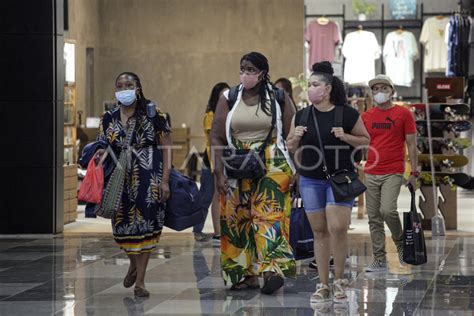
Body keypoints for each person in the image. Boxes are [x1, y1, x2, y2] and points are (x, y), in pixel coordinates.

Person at [211, 52, 297, 294]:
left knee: (269, 216)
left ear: (262, 72)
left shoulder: (279, 97)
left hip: (272, 162)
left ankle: (271, 270)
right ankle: (244, 275)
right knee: (236, 220)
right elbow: (216, 136)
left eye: (250, 69)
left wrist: (298, 167)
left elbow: (293, 135)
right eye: (242, 69)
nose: (245, 74)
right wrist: (218, 172)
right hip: (236, 162)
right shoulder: (229, 97)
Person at [286, 61, 370, 303]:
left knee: (338, 228)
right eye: (309, 85)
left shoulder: (346, 113)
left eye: (315, 85)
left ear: (328, 88)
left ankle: (340, 279)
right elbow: (290, 145)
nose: (310, 89)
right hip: (311, 179)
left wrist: (346, 136)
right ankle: (323, 283)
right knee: (319, 232)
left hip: (340, 178)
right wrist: (296, 137)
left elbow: (365, 141)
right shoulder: (302, 115)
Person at [95, 72, 172, 297]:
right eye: (120, 85)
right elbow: (102, 143)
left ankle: (140, 281)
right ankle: (133, 263)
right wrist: (101, 150)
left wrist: (165, 180)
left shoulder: (153, 113)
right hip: (118, 179)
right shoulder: (108, 118)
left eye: (129, 84)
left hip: (149, 177)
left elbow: (166, 147)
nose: (124, 88)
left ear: (138, 87)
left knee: (147, 226)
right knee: (121, 228)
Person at [362, 74, 418, 272]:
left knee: (388, 210)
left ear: (392, 91)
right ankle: (379, 258)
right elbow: (361, 142)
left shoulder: (403, 114)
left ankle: (400, 242)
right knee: (374, 217)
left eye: (383, 88)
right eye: (375, 89)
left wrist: (415, 171)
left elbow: (412, 144)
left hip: (393, 169)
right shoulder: (366, 116)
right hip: (371, 170)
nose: (379, 92)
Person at [193, 82, 230, 244]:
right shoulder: (210, 115)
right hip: (211, 160)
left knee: (220, 195)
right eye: (221, 95)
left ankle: (220, 230)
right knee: (207, 196)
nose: (224, 98)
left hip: (225, 158)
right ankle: (199, 229)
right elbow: (216, 137)